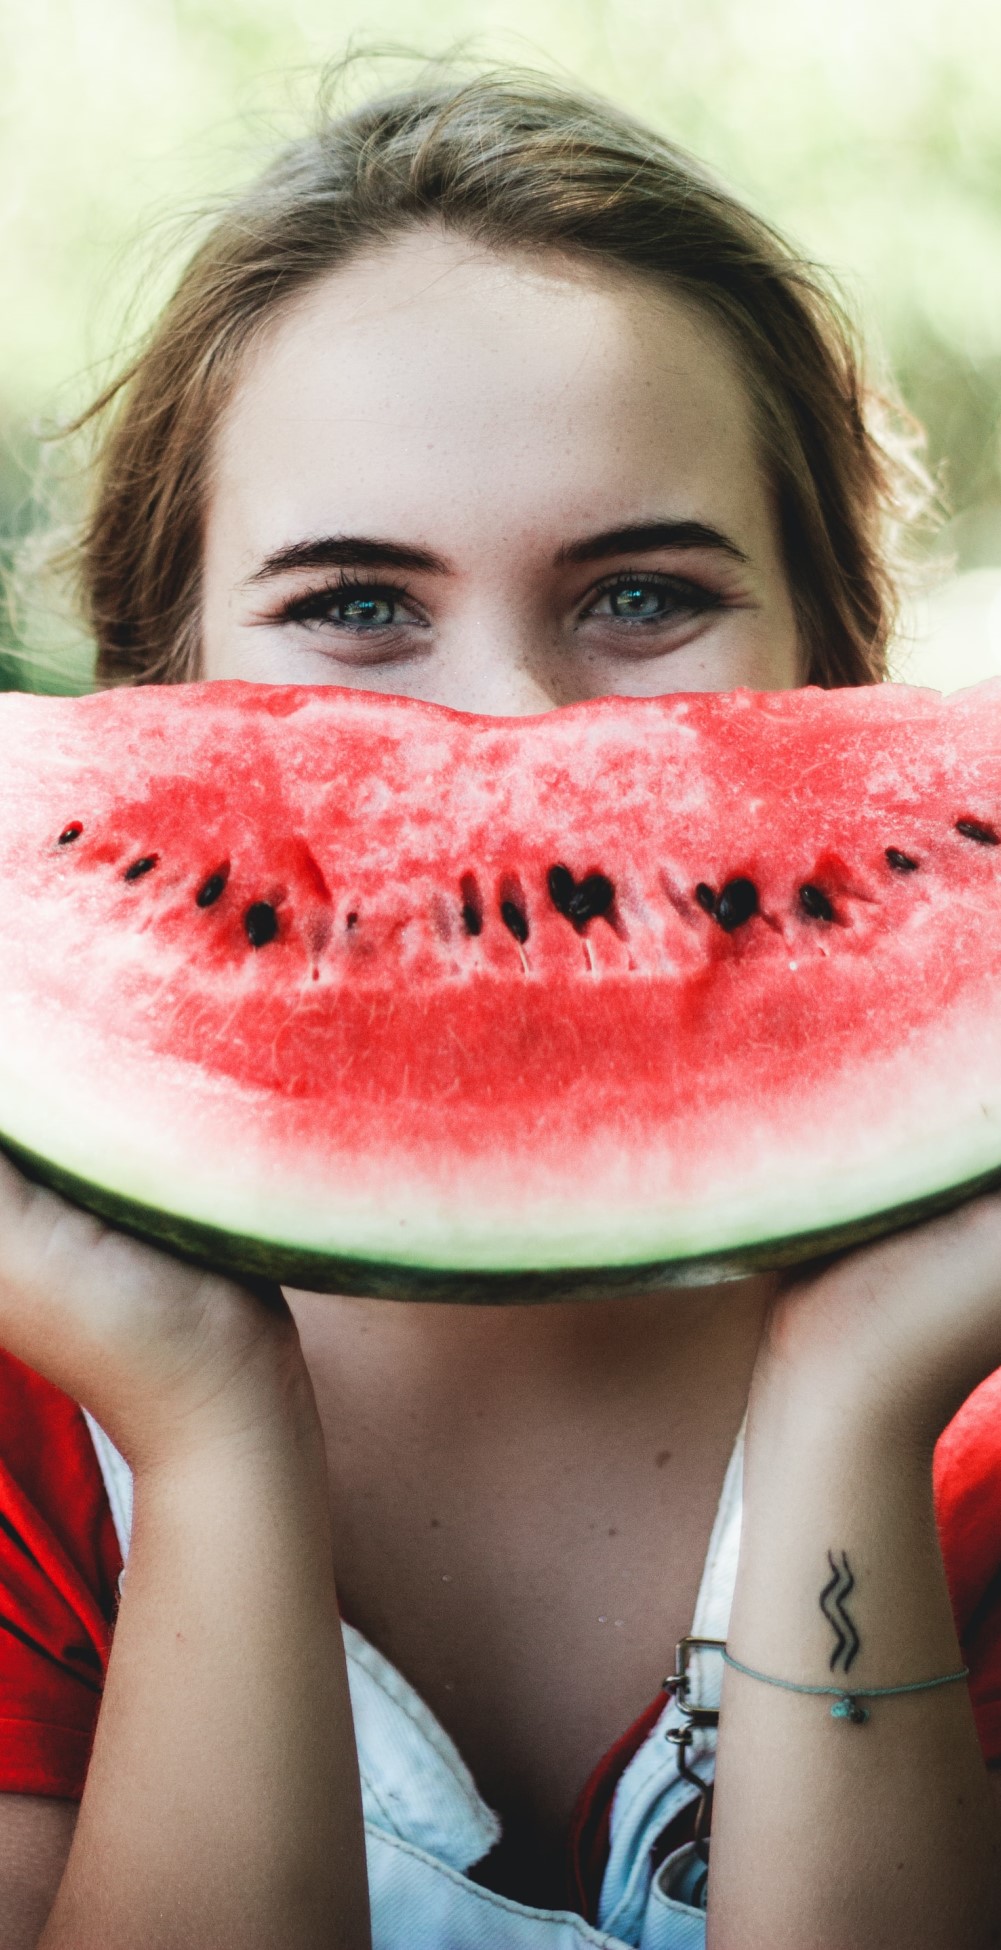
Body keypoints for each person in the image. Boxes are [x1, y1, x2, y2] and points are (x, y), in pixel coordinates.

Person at [1, 63, 1001, 1950]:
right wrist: (207, 1430)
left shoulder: (983, 1403)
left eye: (638, 594)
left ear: (834, 672)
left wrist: (857, 1403)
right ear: (156, 692)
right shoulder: (33, 1423)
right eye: (357, 607)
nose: (511, 740)